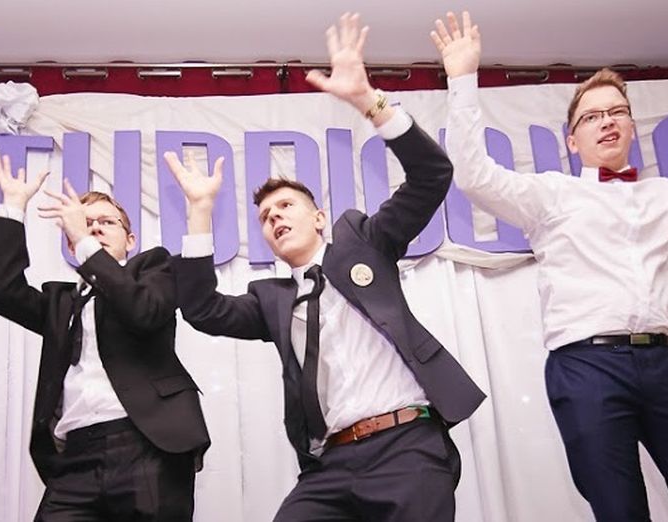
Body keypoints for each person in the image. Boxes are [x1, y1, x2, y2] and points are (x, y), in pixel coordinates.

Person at [430, 11, 668, 521]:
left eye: (617, 112)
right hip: (585, 366)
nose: (607, 121)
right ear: (572, 141)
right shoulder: (550, 195)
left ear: (632, 127)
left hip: (664, 364)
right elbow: (474, 175)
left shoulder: (666, 195)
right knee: (619, 510)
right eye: (592, 117)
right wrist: (462, 79)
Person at [167, 13, 486, 522]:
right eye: (265, 217)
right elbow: (202, 309)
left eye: (285, 207)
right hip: (330, 464)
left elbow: (431, 175)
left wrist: (368, 101)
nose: (275, 218)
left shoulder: (365, 243)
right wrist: (200, 211)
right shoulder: (271, 301)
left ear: (318, 217)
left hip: (407, 445)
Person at [0, 156, 209, 521]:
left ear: (130, 239)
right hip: (75, 456)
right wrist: (12, 206)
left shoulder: (154, 268)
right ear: (70, 243)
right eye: (86, 224)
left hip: (147, 443)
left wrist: (86, 243)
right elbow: (5, 291)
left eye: (106, 222)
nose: (95, 229)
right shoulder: (61, 301)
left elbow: (144, 311)